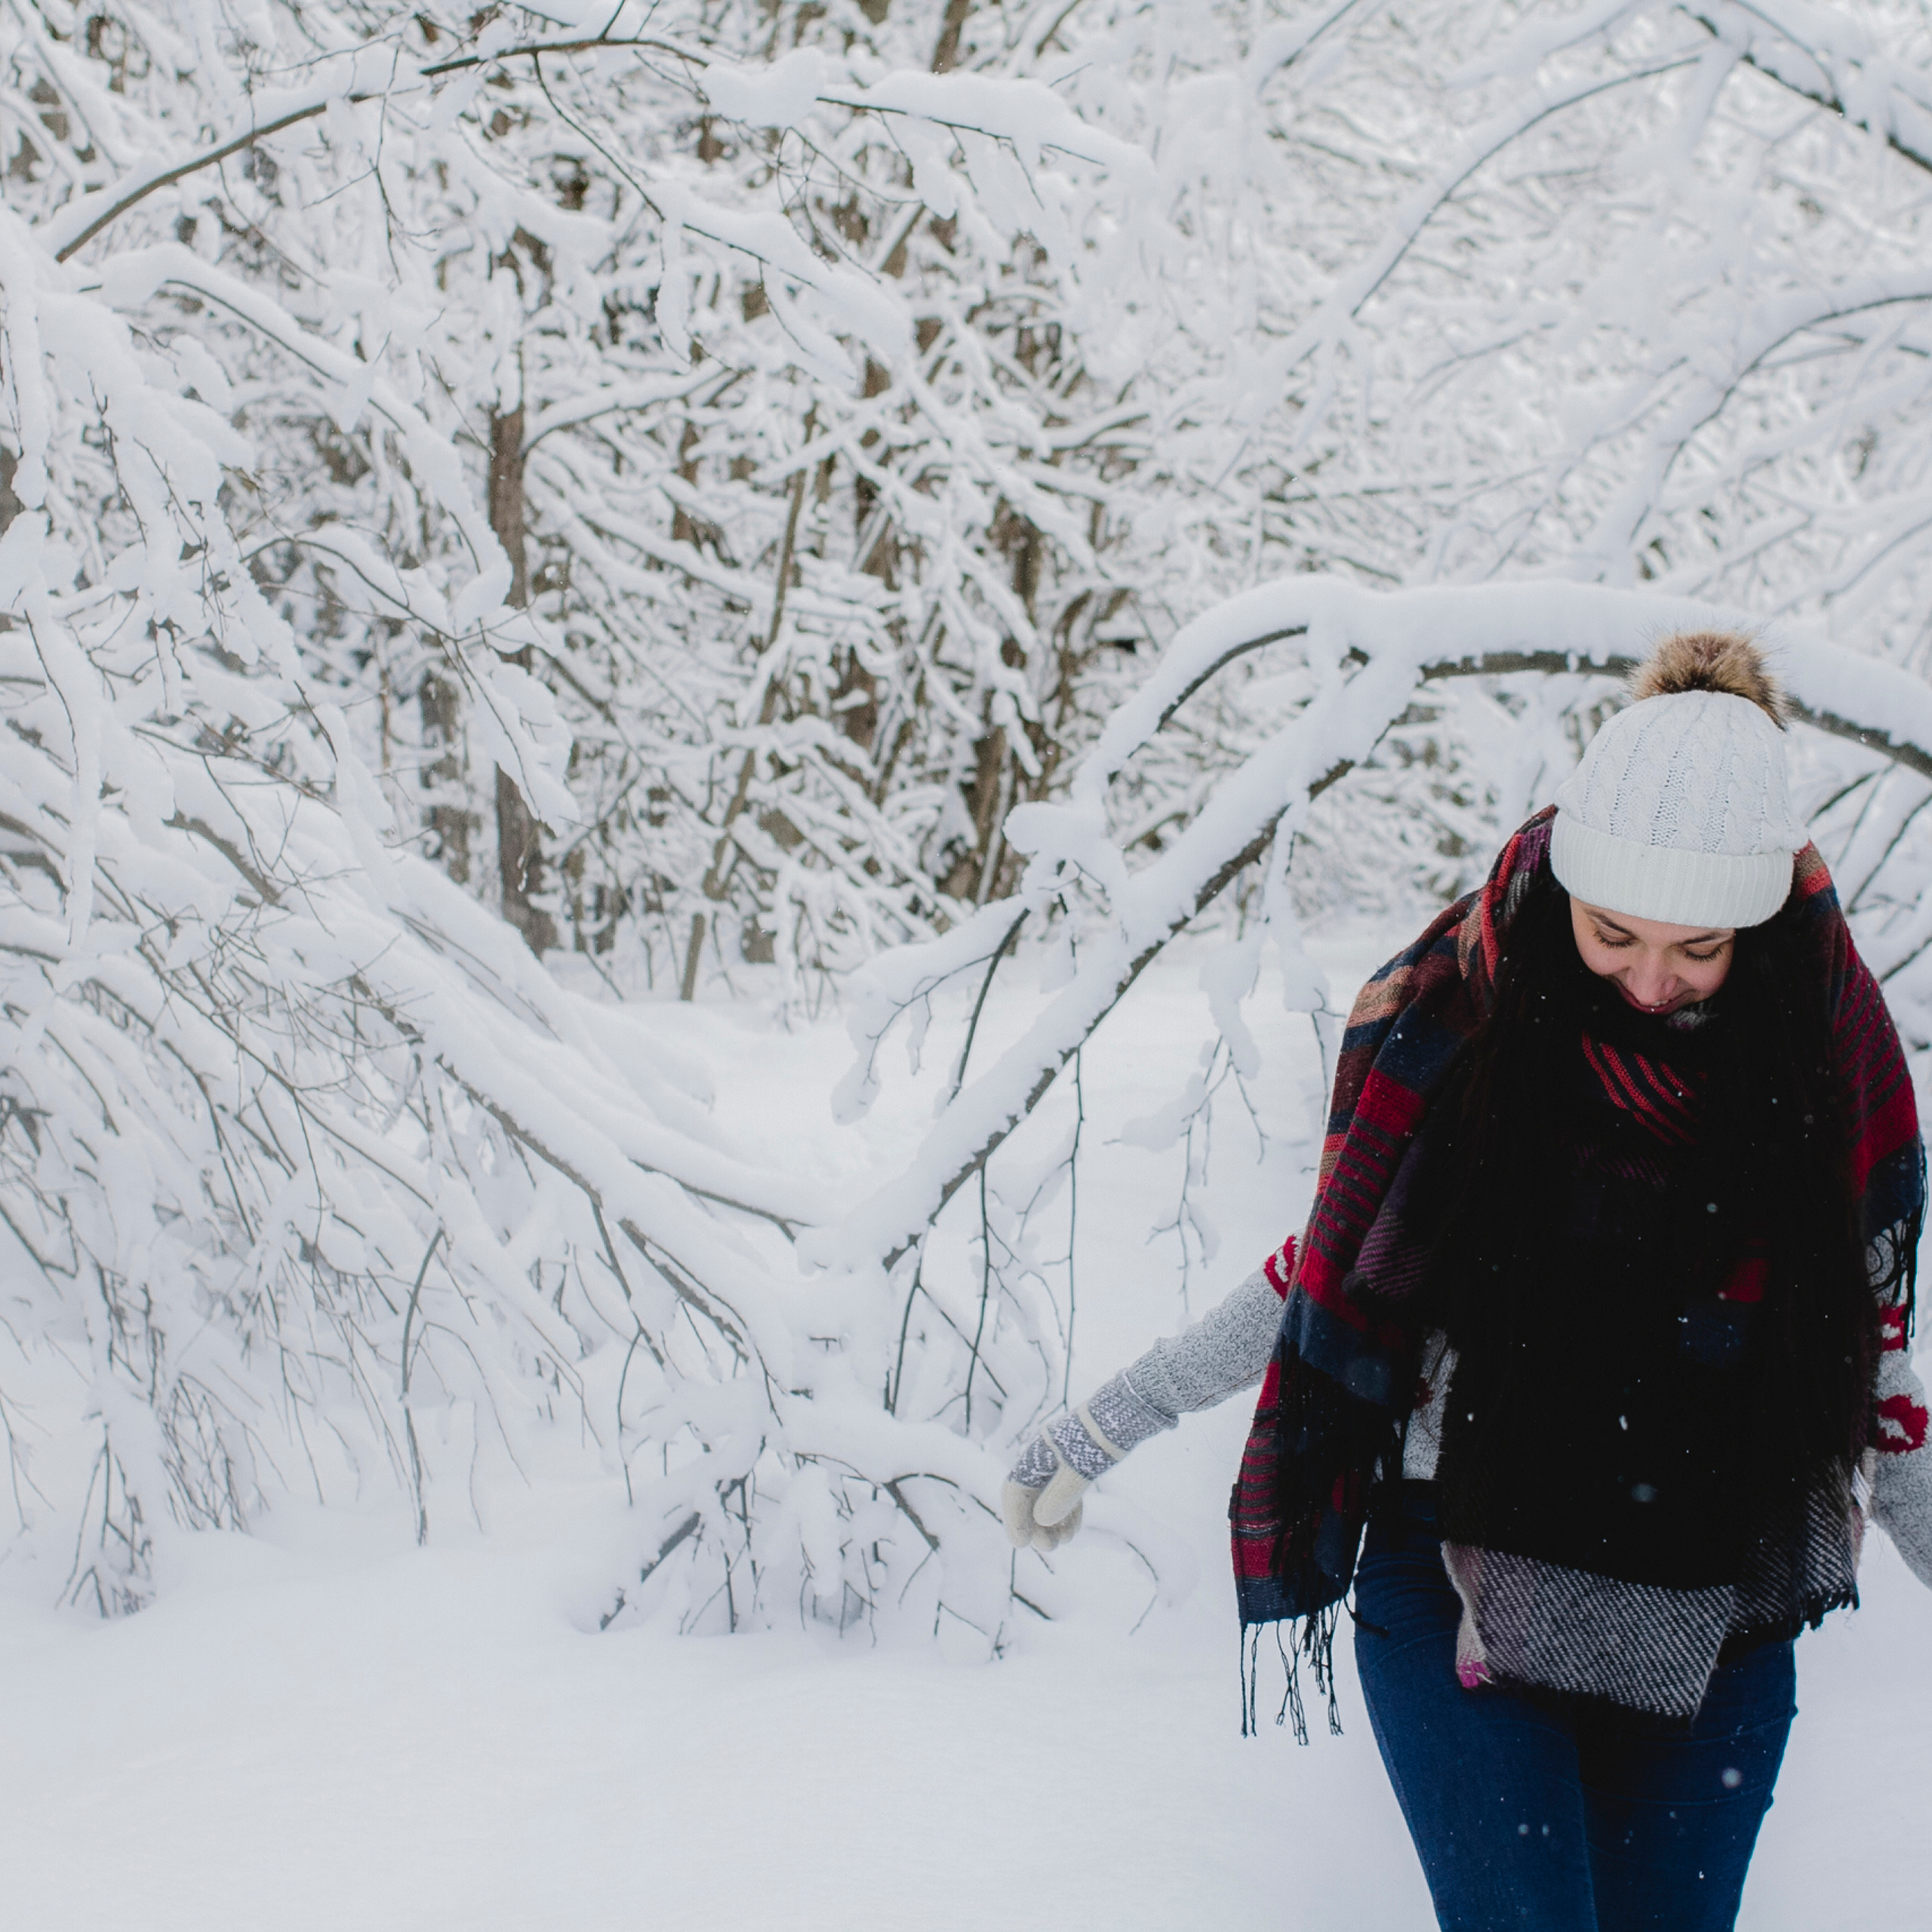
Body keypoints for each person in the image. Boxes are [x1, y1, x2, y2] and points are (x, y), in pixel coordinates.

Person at [1002, 632, 1932, 1932]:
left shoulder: (1818, 1068)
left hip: (1712, 1610)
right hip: (1455, 1583)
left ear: (1759, 932)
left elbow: (1866, 1367)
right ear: (1568, 895)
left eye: (1699, 951)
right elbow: (1316, 1281)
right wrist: (1105, 1425)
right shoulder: (1470, 1032)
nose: (1652, 984)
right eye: (1616, 935)